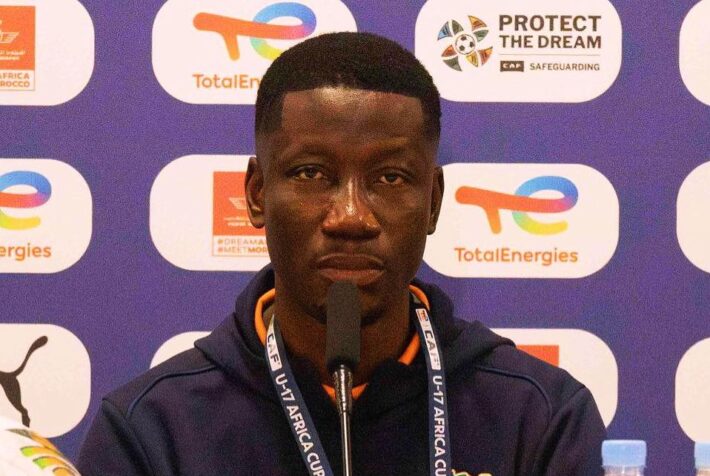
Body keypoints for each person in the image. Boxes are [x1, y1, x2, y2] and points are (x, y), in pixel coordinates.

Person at [77, 32, 606, 475]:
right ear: (257, 194)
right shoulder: (152, 431)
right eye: (312, 173)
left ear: (432, 203)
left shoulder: (539, 418)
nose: (351, 216)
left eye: (390, 177)